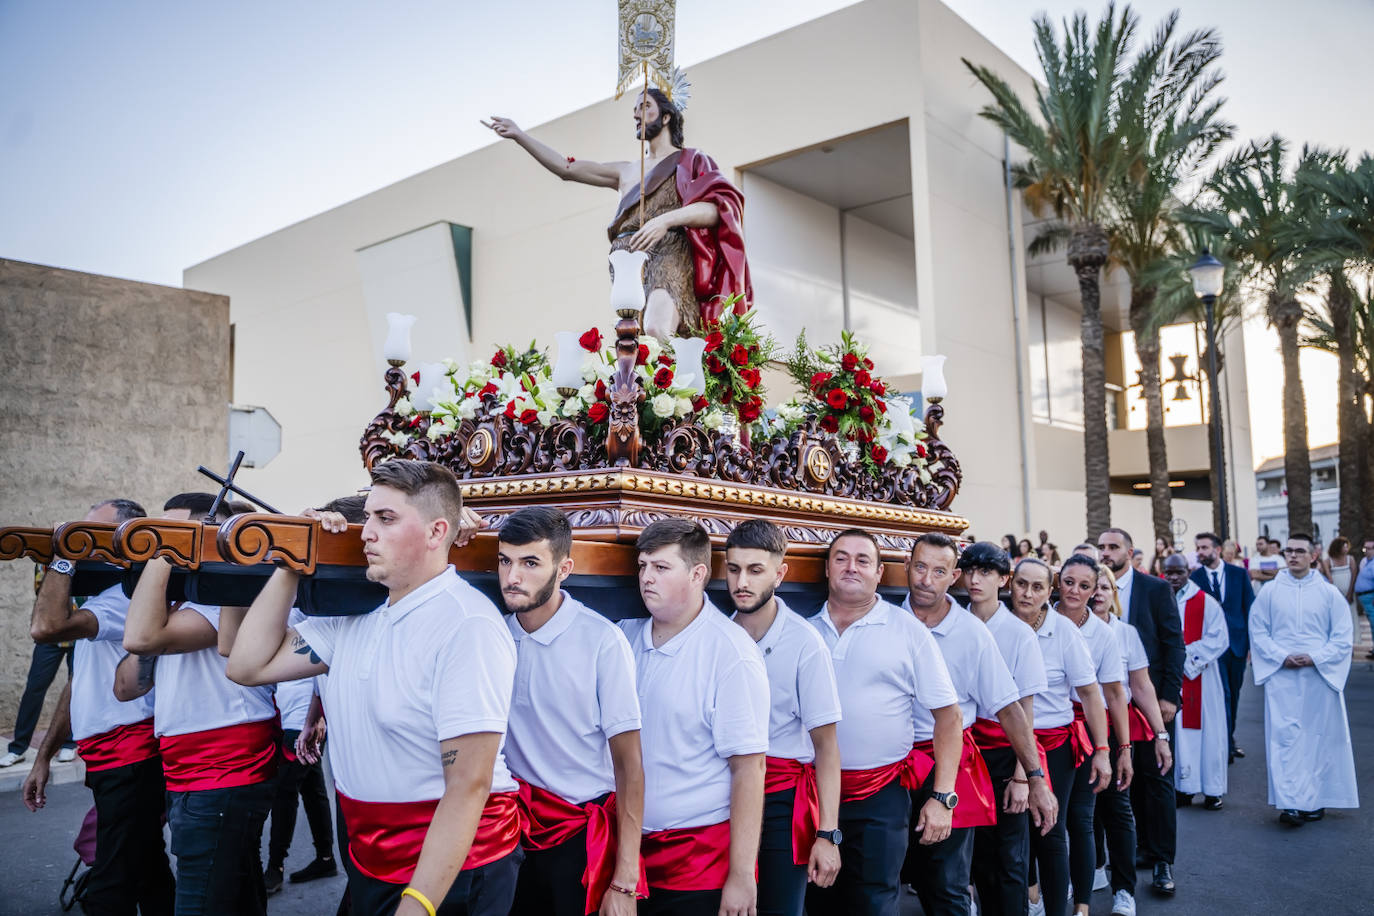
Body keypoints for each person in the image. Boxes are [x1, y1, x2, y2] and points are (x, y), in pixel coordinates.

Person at [226, 460, 521, 916]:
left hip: (453, 872)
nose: (367, 532)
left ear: (436, 532)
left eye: (386, 519)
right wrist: (293, 557)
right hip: (370, 858)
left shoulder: (467, 625)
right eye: (368, 518)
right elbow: (246, 665)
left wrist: (418, 904)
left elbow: (469, 784)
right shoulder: (351, 621)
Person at [115, 493, 279, 916]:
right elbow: (126, 686)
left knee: (199, 901)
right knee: (235, 895)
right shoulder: (186, 597)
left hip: (223, 767)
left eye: (172, 532)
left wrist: (161, 556)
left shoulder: (224, 596)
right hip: (191, 769)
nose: (159, 541)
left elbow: (140, 639)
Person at [484, 87, 751, 339]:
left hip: (669, 252)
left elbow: (718, 209)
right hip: (626, 263)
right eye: (635, 109)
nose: (636, 114)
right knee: (637, 342)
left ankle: (688, 378)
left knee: (658, 328)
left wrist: (665, 220)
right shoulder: (626, 171)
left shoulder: (690, 161)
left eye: (645, 106)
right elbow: (567, 168)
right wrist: (520, 135)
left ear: (667, 116)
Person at [22, 497, 176, 916]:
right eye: (79, 534)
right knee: (147, 870)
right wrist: (44, 757)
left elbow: (45, 628)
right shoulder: (107, 596)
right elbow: (80, 682)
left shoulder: (124, 600)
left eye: (92, 535)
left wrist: (63, 559)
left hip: (132, 755)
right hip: (111, 757)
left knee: (109, 888)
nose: (83, 543)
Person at [497, 507, 646, 916]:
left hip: (576, 835)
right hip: (509, 828)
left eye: (530, 563)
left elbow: (630, 765)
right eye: (505, 560)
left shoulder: (602, 640)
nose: (512, 577)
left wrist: (626, 878)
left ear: (564, 569)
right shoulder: (491, 634)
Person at [805, 529, 962, 916]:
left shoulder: (909, 632)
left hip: (880, 796)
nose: (851, 567)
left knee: (873, 903)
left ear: (880, 573)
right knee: (814, 903)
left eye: (863, 560)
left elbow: (949, 717)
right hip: (808, 795)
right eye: (841, 558)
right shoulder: (802, 632)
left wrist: (942, 797)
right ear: (827, 568)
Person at [619, 519, 769, 916]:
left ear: (698, 573)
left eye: (661, 568)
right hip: (625, 851)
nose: (646, 578)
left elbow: (750, 769)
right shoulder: (623, 639)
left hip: (696, 862)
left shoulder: (730, 653)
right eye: (642, 566)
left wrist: (741, 875)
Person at [902, 534, 1057, 916]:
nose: (926, 579)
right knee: (902, 874)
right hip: (893, 766)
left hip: (961, 760)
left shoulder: (978, 634)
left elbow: (1013, 707)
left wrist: (1031, 777)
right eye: (919, 567)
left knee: (970, 871)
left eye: (939, 571)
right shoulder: (889, 621)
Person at [724, 519, 842, 916]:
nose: (742, 581)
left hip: (782, 801)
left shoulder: (806, 643)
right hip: (724, 797)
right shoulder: (719, 635)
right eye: (734, 568)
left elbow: (826, 747)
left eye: (755, 571)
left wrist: (828, 834)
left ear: (780, 573)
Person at [957, 542, 1058, 916]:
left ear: (1003, 579)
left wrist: (1022, 774)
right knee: (972, 853)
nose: (975, 580)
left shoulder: (1019, 634)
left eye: (985, 572)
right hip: (966, 750)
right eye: (969, 571)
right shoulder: (956, 622)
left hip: (1005, 751)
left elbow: (1025, 711)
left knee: (1009, 858)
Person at [1004, 558, 1109, 916]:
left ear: (1049, 592)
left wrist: (1105, 749)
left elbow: (1092, 694)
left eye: (1037, 587)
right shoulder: (994, 624)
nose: (1027, 593)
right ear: (1009, 583)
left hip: (1053, 744)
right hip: (1001, 743)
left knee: (1050, 828)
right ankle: (1026, 897)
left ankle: (1059, 908)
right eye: (1021, 584)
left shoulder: (1064, 632)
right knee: (1010, 832)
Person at [1248, 533, 1360, 826]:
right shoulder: (1270, 592)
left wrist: (1316, 657)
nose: (1293, 556)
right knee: (1285, 740)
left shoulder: (1328, 593)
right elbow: (1258, 631)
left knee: (1317, 740)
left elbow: (1342, 635)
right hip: (1282, 677)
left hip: (1318, 676)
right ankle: (1290, 804)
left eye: (1300, 551)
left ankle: (1314, 800)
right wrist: (1281, 655)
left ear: (1313, 556)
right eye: (1289, 551)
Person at [1095, 527, 1182, 897]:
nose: (1106, 552)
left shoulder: (1155, 589)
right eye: (1102, 547)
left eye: (1113, 547)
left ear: (1130, 552)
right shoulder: (1089, 590)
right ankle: (1130, 853)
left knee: (1158, 779)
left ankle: (1162, 859)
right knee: (1122, 785)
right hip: (1108, 707)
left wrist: (1169, 697)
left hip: (1149, 701)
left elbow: (1172, 642)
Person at [1053, 556, 1130, 916]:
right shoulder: (1038, 618)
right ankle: (1039, 894)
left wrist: (1120, 749)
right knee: (1040, 821)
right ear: (1058, 581)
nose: (1075, 591)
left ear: (1096, 591)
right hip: (1043, 728)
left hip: (1086, 729)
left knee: (1080, 817)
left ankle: (1082, 904)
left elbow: (1114, 694)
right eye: (1069, 582)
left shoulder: (1103, 634)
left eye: (1085, 585)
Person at [1159, 555, 1228, 810]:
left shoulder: (1206, 602)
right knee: (1180, 735)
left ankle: (1213, 790)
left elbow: (1219, 639)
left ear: (1189, 571)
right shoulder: (1160, 600)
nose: (1174, 577)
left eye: (1179, 572)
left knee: (1209, 733)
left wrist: (1184, 658)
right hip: (1172, 678)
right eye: (1169, 572)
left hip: (1201, 677)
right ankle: (1184, 788)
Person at [1190, 532, 1255, 763]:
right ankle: (1223, 745)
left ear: (1217, 550)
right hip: (1210, 648)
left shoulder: (1238, 574)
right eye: (1198, 548)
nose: (1200, 552)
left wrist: (1250, 645)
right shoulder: (1194, 578)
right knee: (1221, 695)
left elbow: (1250, 609)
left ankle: (1229, 736)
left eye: (1204, 547)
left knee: (1234, 695)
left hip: (1237, 646)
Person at [0, 637, 76, 768]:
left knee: (75, 689)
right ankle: (18, 748)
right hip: (50, 637)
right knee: (33, 690)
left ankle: (70, 743)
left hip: (79, 639)